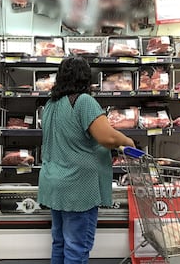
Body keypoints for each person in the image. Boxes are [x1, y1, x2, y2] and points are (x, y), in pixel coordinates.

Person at [37, 56, 135, 264]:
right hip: (78, 187)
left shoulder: (51, 104)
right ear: (85, 77)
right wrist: (128, 142)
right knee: (77, 248)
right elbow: (107, 137)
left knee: (60, 243)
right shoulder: (83, 101)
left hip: (55, 182)